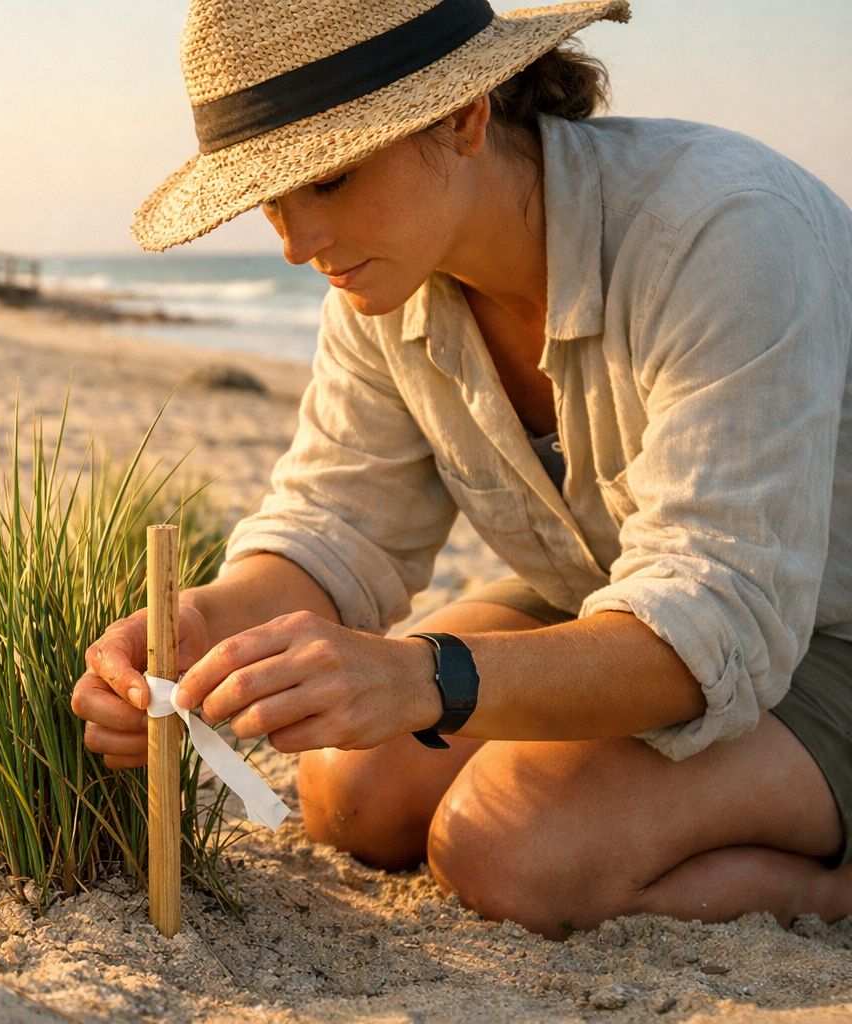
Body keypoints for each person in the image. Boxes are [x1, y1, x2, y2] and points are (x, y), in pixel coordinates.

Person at [71, 0, 852, 939]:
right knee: (352, 791)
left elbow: (715, 614)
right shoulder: (383, 283)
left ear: (464, 115)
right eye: (270, 196)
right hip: (621, 601)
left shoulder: (722, 233)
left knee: (512, 852)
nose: (293, 241)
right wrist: (199, 624)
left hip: (815, 634)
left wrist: (419, 678)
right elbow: (335, 528)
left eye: (329, 177)